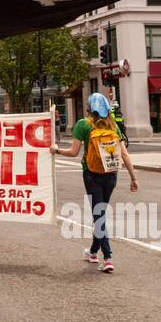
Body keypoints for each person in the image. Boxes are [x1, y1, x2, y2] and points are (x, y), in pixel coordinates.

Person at [56, 92, 139, 273]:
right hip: (111, 174)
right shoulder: (112, 126)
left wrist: (56, 151)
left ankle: (108, 257)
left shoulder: (83, 124)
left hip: (91, 173)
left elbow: (73, 152)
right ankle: (93, 252)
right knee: (99, 214)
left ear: (89, 108)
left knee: (99, 216)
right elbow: (124, 154)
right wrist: (133, 178)